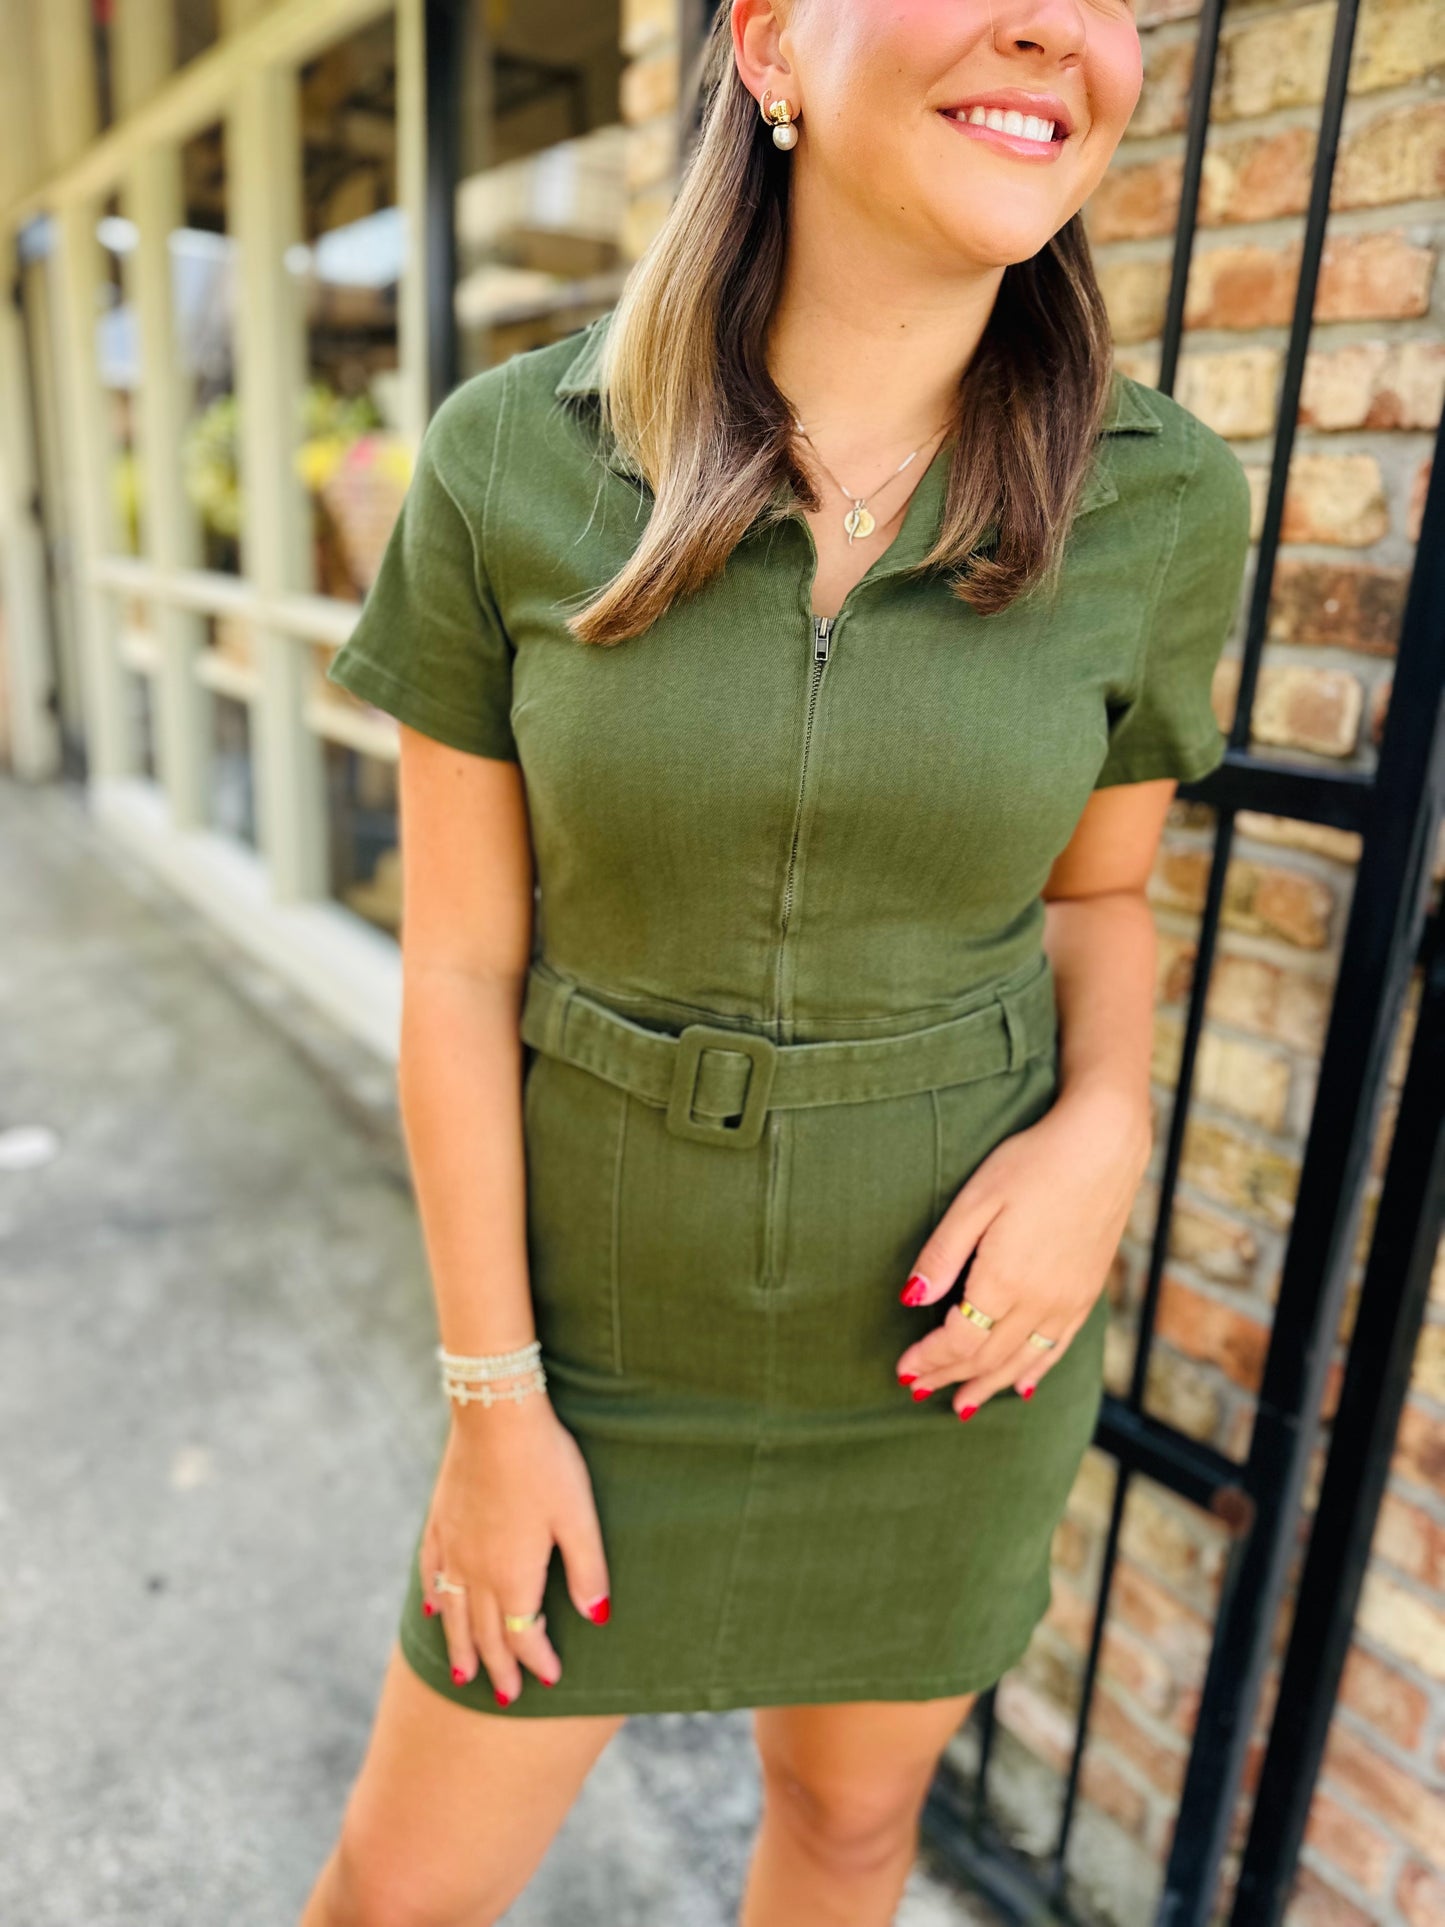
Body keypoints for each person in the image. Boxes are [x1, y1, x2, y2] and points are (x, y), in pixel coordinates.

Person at [299, 0, 1251, 1921]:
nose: (1051, 31)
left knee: (850, 1828)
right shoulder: (512, 457)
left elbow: (1096, 900)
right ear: (768, 51)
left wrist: (1104, 1132)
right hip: (596, 1334)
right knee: (399, 1899)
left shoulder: (1159, 500)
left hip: (937, 1355)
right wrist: (492, 1402)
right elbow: (458, 966)